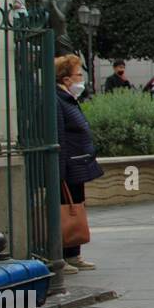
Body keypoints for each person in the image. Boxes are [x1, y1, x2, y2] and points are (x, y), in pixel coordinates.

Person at [55, 54, 102, 273]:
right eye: (78, 75)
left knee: (76, 207)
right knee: (67, 209)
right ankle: (61, 256)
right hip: (69, 163)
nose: (81, 79)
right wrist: (61, 169)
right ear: (66, 79)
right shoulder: (58, 100)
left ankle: (74, 254)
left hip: (78, 162)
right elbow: (60, 136)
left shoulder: (68, 98)